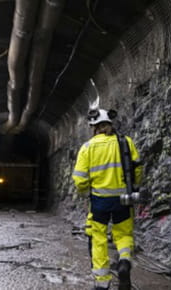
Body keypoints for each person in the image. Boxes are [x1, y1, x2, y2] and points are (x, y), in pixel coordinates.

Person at [72, 109, 142, 290]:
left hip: (99, 201)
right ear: (110, 124)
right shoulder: (126, 142)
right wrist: (134, 186)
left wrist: (86, 191)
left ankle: (102, 283)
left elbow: (80, 179)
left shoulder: (87, 148)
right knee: (124, 234)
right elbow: (137, 168)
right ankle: (124, 262)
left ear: (94, 128)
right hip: (123, 199)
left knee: (99, 238)